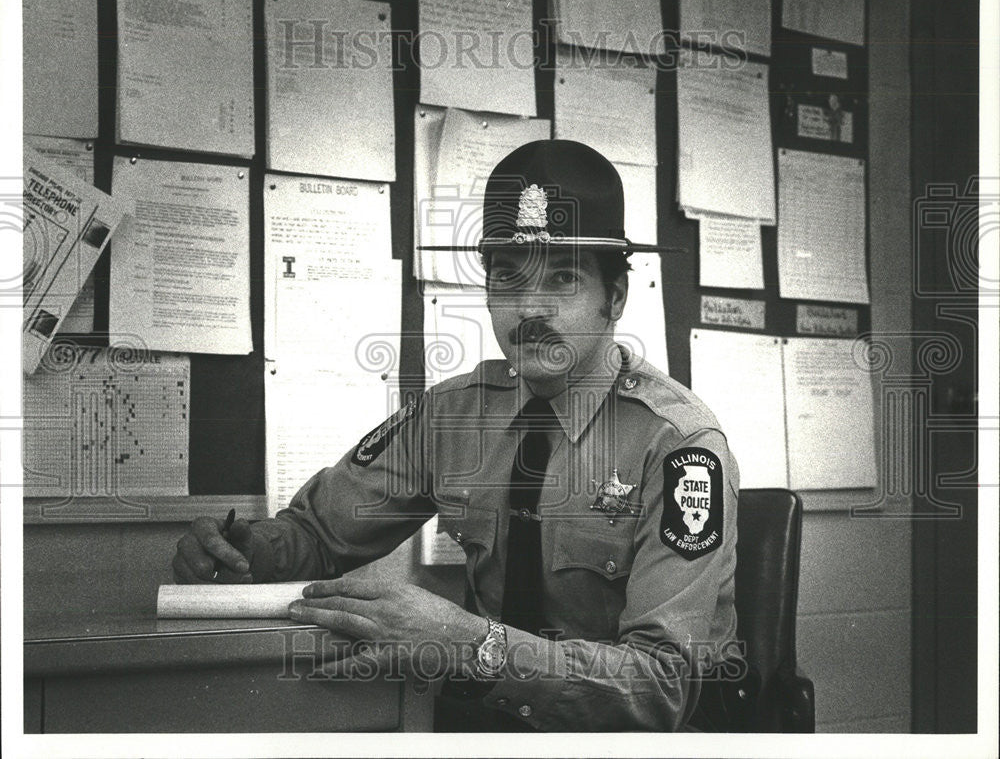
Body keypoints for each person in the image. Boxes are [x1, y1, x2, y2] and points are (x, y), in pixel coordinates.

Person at [172, 140, 745, 732]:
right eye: (506, 277)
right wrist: (244, 552)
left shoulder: (679, 445)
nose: (529, 308)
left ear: (616, 298)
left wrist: (469, 643)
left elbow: (659, 688)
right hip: (494, 722)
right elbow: (319, 535)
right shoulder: (454, 415)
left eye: (564, 279)